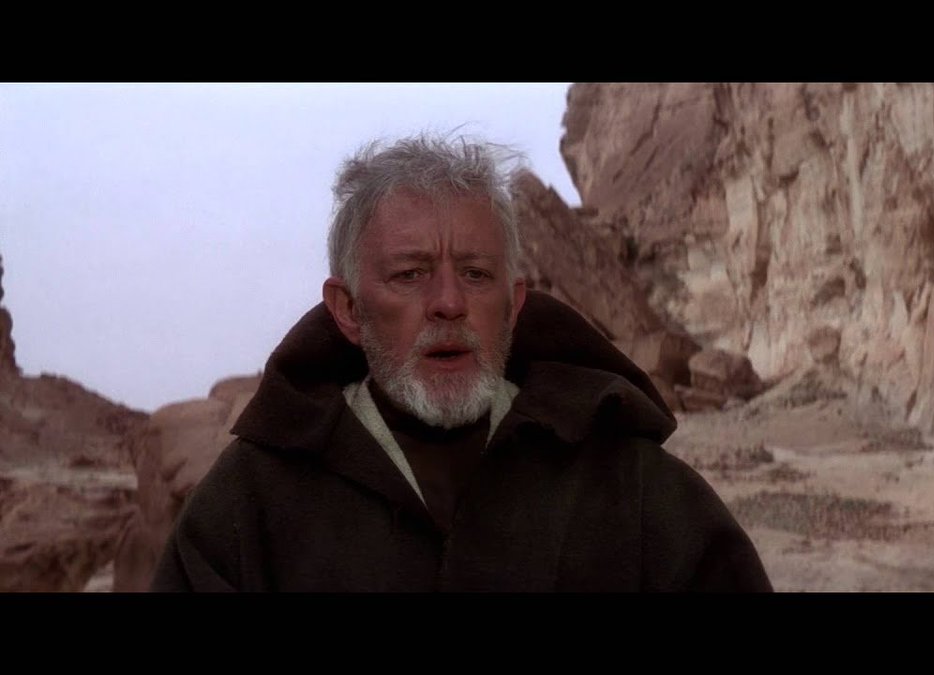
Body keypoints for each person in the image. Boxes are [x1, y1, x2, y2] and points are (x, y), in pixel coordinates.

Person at [152, 134, 772, 592]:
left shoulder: (633, 488)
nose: (449, 302)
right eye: (410, 274)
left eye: (476, 274)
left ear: (513, 305)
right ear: (348, 310)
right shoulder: (249, 506)